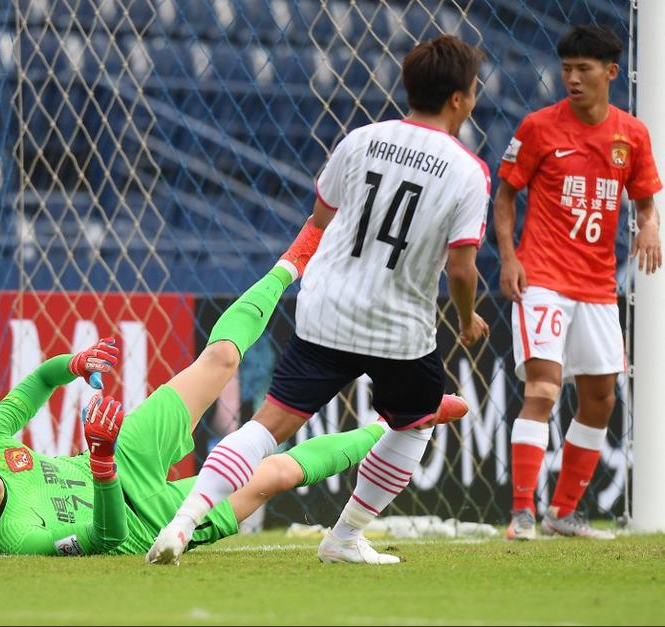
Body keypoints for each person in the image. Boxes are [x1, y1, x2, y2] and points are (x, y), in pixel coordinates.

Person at [148, 35, 489, 566]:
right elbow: (463, 268)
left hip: (326, 312)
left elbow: (323, 216)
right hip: (399, 329)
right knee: (415, 421)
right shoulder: (468, 171)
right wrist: (467, 320)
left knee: (266, 428)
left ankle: (182, 521)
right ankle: (345, 537)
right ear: (460, 100)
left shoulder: (360, 140)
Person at [0, 255, 403, 557]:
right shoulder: (11, 540)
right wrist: (99, 465)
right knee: (271, 474)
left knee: (220, 358)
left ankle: (292, 259)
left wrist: (71, 364)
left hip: (124, 455)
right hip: (146, 522)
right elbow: (106, 535)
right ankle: (392, 425)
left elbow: (36, 384)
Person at [495, 25, 662, 541]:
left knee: (601, 399)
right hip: (542, 277)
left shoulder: (631, 134)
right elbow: (503, 197)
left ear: (611, 72)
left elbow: (644, 196)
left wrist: (650, 224)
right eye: (566, 68)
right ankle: (522, 512)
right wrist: (508, 257)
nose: (571, 78)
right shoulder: (539, 128)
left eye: (583, 69)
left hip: (595, 288)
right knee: (543, 387)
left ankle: (562, 513)